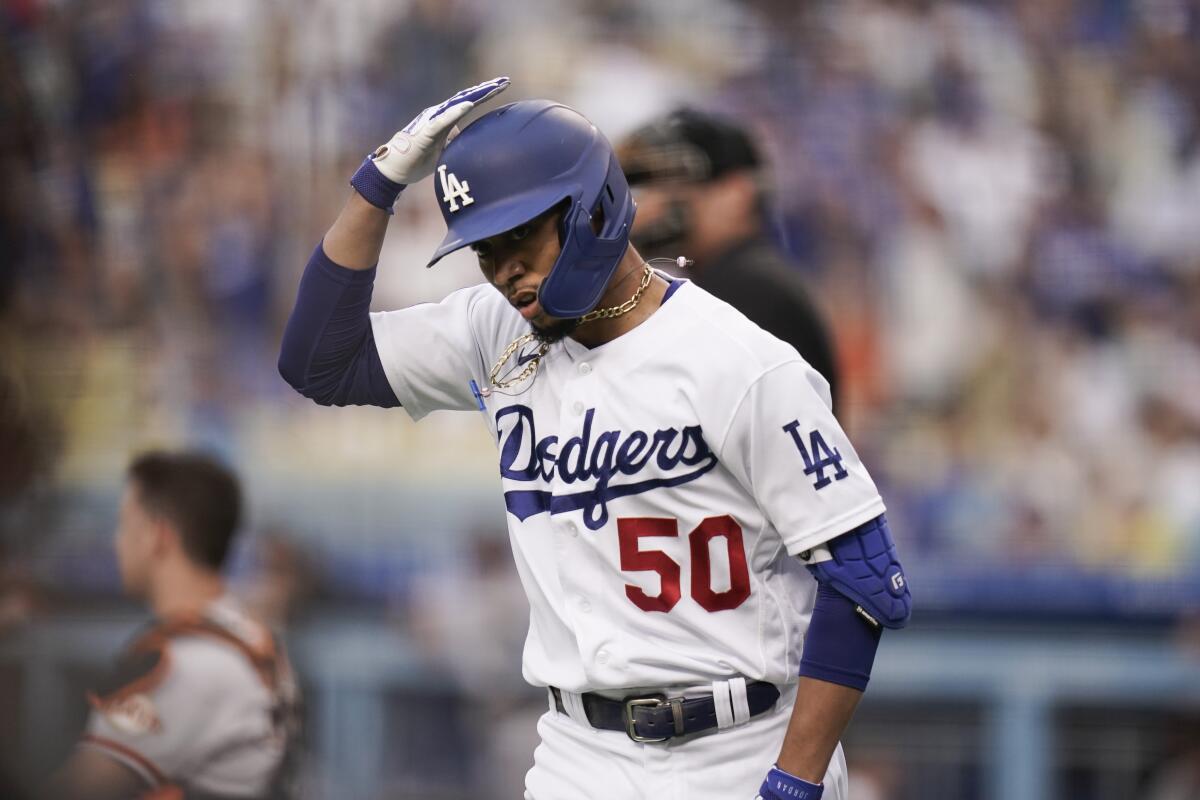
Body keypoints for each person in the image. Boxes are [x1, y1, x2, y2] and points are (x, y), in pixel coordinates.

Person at [278, 77, 911, 800]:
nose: (504, 268)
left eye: (520, 235)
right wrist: (377, 184)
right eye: (486, 249)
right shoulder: (493, 332)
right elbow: (318, 361)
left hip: (739, 744)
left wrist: (793, 782)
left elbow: (867, 579)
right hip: (578, 753)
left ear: (595, 209)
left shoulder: (738, 361)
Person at [49, 451, 301, 800]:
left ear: (158, 536)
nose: (116, 542)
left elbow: (76, 791)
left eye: (124, 524)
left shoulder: (181, 665)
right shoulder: (250, 630)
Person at [617, 108, 841, 414]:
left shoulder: (749, 288)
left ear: (737, 192)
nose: (653, 201)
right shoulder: (750, 278)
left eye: (676, 183)